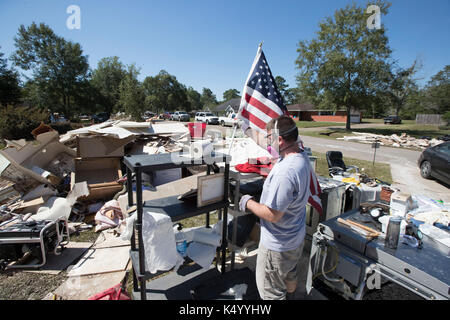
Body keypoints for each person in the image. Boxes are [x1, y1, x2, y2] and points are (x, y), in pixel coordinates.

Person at [239, 115, 312, 300]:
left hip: (277, 245)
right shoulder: (301, 155)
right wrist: (246, 127)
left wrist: (247, 202)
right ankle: (292, 296)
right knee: (288, 275)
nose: (268, 143)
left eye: (270, 138)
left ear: (280, 139)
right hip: (294, 237)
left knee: (270, 292)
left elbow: (272, 215)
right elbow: (268, 144)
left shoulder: (285, 172)